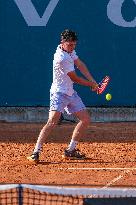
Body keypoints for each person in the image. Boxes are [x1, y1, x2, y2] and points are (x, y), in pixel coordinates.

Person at [27, 29, 98, 162]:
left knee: (85, 119)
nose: (72, 47)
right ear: (63, 43)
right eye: (70, 45)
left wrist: (92, 80)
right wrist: (91, 85)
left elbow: (80, 64)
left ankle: (70, 150)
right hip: (59, 93)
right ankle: (35, 152)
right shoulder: (62, 58)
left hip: (70, 92)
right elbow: (75, 78)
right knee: (52, 121)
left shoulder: (69, 51)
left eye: (74, 45)